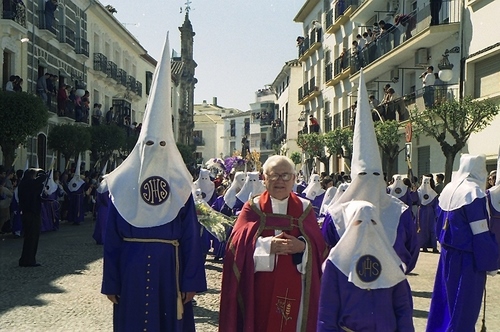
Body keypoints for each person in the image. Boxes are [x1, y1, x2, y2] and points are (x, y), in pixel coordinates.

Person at [101, 36, 207, 331]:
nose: (155, 149)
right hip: (129, 270)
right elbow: (111, 240)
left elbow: (191, 239)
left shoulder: (180, 188)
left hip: (170, 273)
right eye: (149, 143)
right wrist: (111, 281)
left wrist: (191, 282)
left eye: (161, 143)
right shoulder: (121, 186)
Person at [324, 68, 419, 274]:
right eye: (364, 176)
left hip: (389, 290)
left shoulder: (398, 211)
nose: (370, 181)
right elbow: (326, 250)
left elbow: (411, 248)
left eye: (375, 175)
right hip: (347, 290)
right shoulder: (337, 214)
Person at [219, 155, 326, 332]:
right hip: (260, 290)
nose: (279, 181)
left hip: (297, 288)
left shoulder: (305, 208)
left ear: (294, 178)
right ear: (264, 178)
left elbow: (319, 248)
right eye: (274, 175)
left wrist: (303, 247)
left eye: (285, 175)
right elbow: (235, 247)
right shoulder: (253, 208)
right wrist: (266, 246)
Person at [426, 154, 499, 332]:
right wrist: (490, 262)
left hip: (447, 255)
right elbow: (480, 233)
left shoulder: (449, 189)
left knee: (446, 304)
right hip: (467, 260)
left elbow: (438, 225)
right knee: (464, 309)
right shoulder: (474, 193)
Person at [318, 201, 414, 331]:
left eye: (372, 222)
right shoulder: (336, 263)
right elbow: (327, 311)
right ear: (349, 225)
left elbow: (402, 307)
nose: (366, 227)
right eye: (359, 222)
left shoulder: (391, 261)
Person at [18, 168, 47, 267]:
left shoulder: (23, 184)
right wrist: (41, 171)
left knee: (29, 238)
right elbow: (42, 178)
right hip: (32, 213)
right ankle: (28, 260)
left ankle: (26, 259)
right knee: (32, 238)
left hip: (27, 213)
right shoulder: (28, 184)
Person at [416, 176, 439, 253]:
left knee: (432, 230)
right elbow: (415, 200)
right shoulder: (419, 191)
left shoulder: (433, 193)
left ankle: (434, 247)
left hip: (430, 212)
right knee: (423, 230)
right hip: (422, 212)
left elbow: (436, 205)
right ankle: (424, 246)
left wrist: (436, 214)